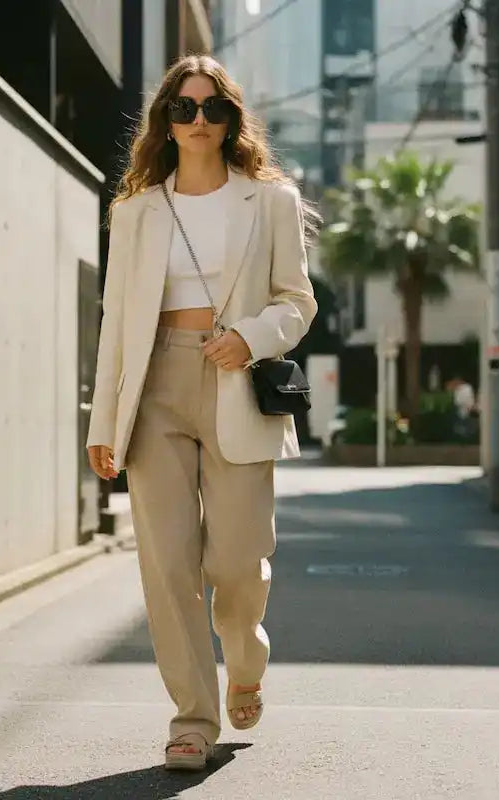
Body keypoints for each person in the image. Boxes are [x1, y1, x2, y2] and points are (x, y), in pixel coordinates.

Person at [86, 54, 318, 772]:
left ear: (230, 119)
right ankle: (192, 719)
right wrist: (104, 423)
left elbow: (297, 301)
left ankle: (246, 654)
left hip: (236, 382)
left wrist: (249, 338)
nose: (196, 120)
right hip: (152, 385)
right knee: (169, 567)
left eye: (211, 107)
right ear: (164, 120)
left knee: (237, 561)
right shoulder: (134, 211)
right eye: (182, 108)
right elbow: (116, 320)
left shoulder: (270, 200)